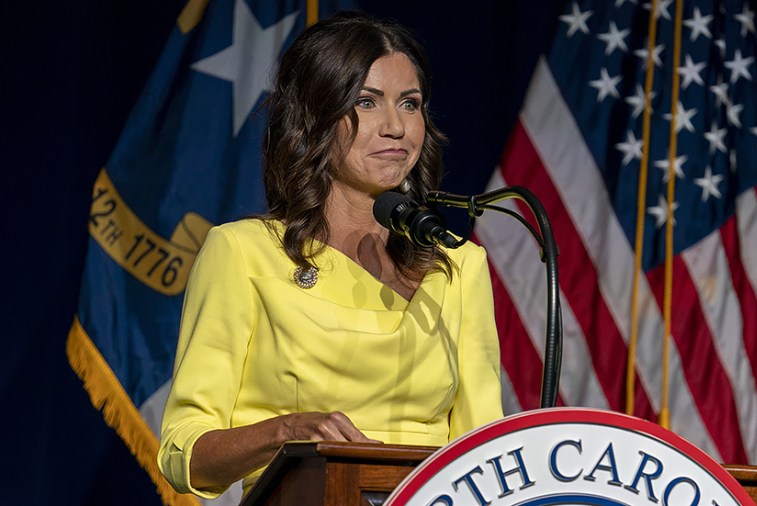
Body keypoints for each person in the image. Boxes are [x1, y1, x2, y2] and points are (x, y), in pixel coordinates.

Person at [157, 11, 503, 499]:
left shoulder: (459, 265)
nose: (396, 127)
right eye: (366, 102)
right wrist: (287, 432)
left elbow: (482, 452)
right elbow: (184, 454)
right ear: (314, 119)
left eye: (410, 104)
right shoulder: (243, 253)